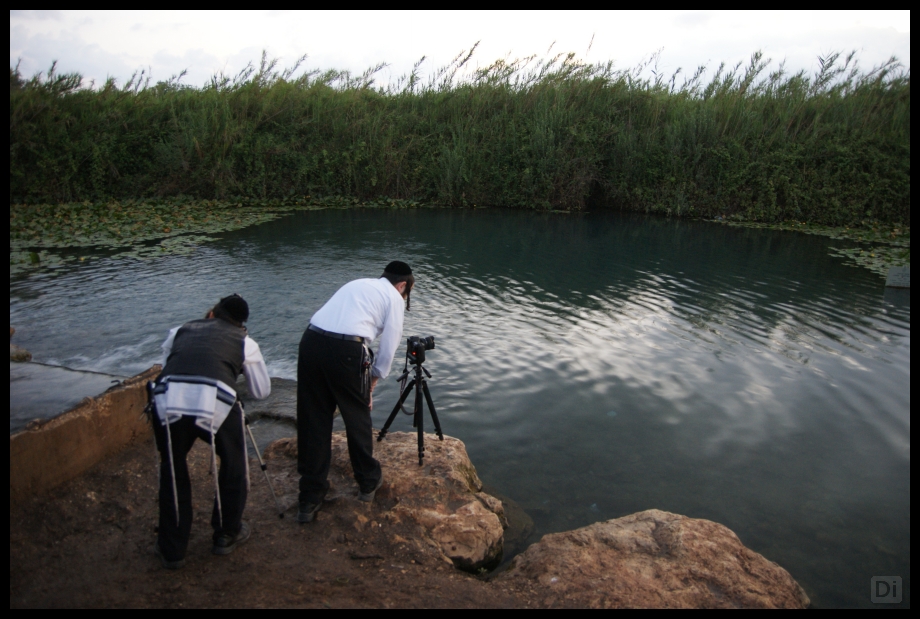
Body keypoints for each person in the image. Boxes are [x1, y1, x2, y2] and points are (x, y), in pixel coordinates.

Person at [150, 294, 271, 570]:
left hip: (169, 401)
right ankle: (226, 533)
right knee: (234, 464)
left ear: (212, 314)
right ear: (242, 324)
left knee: (172, 468)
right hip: (216, 402)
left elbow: (169, 366)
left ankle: (172, 549)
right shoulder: (246, 343)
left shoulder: (179, 331)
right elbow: (261, 392)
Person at [297, 261, 414, 523]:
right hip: (346, 351)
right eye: (407, 292)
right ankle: (368, 481)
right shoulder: (394, 298)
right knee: (357, 416)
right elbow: (389, 346)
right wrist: (372, 381)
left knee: (313, 418)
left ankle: (309, 498)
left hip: (311, 342)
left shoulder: (358, 284)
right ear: (402, 285)